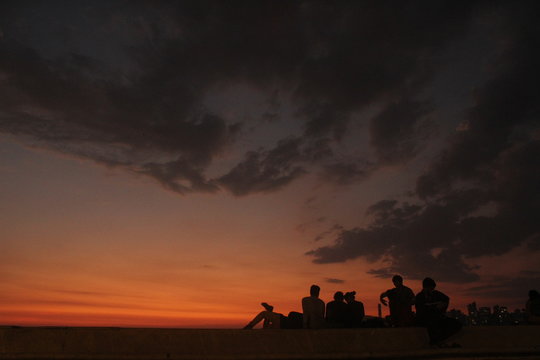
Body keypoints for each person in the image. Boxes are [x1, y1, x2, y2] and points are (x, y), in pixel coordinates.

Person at [415, 277, 461, 347]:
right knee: (432, 324)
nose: (432, 290)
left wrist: (442, 306)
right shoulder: (419, 296)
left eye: (432, 289)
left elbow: (446, 299)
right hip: (425, 319)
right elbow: (421, 311)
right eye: (430, 288)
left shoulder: (435, 293)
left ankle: (438, 339)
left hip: (438, 317)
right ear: (425, 288)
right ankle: (435, 341)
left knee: (457, 324)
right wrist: (434, 307)